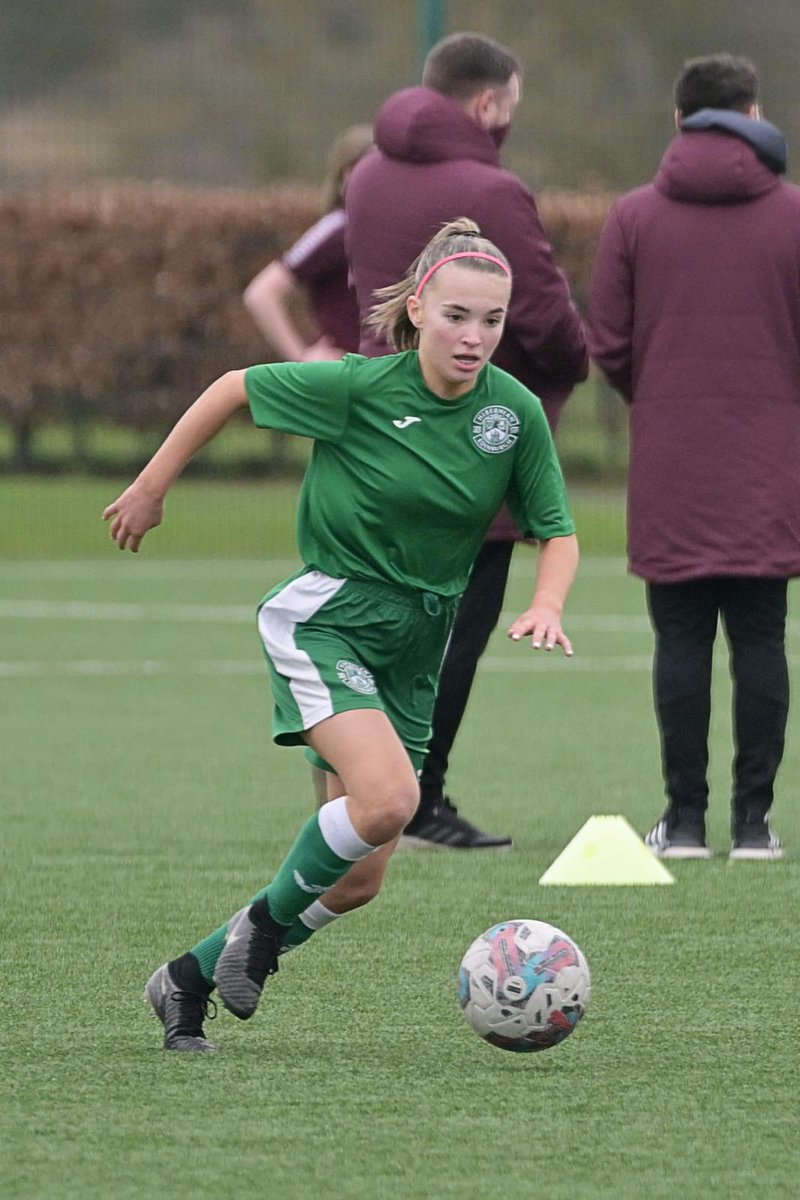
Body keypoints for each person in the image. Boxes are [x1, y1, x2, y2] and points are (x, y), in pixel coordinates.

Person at [103, 218, 579, 1051]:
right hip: (330, 617)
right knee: (392, 799)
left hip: (417, 647)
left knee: (360, 878)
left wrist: (548, 602)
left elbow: (557, 530)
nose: (474, 337)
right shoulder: (357, 387)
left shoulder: (515, 414)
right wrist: (150, 487)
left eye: (493, 321)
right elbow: (232, 389)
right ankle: (260, 928)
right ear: (420, 306)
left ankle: (186, 980)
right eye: (458, 315)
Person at [345, 32, 588, 849]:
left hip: (376, 434)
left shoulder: (367, 174)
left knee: (379, 620)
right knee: (454, 628)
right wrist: (570, 364)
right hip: (468, 443)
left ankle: (360, 790)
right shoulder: (496, 188)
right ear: (487, 104)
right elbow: (548, 319)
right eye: (508, 110)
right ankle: (419, 799)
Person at [589, 53, 800, 861]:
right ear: (754, 113)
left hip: (672, 462)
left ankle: (681, 824)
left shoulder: (635, 216)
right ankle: (753, 826)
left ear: (679, 121)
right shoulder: (791, 214)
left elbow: (607, 341)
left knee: (678, 641)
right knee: (761, 638)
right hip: (770, 464)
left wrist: (665, 395)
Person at [242, 124, 373, 363]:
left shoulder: (389, 230)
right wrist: (303, 357)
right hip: (341, 380)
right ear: (346, 175)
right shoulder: (338, 229)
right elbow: (261, 293)